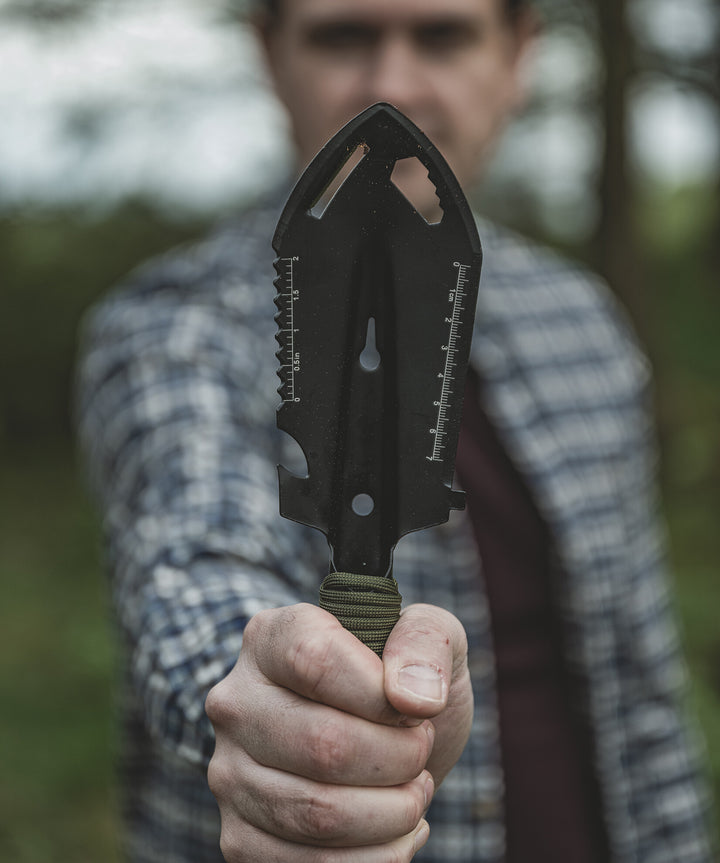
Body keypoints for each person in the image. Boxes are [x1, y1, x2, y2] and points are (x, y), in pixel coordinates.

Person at [76, 0, 714, 861]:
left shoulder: (582, 321)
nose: (392, 88)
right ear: (270, 55)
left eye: (442, 35)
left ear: (519, 54)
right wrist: (274, 716)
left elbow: (637, 682)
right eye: (344, 36)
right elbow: (194, 572)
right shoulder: (174, 330)